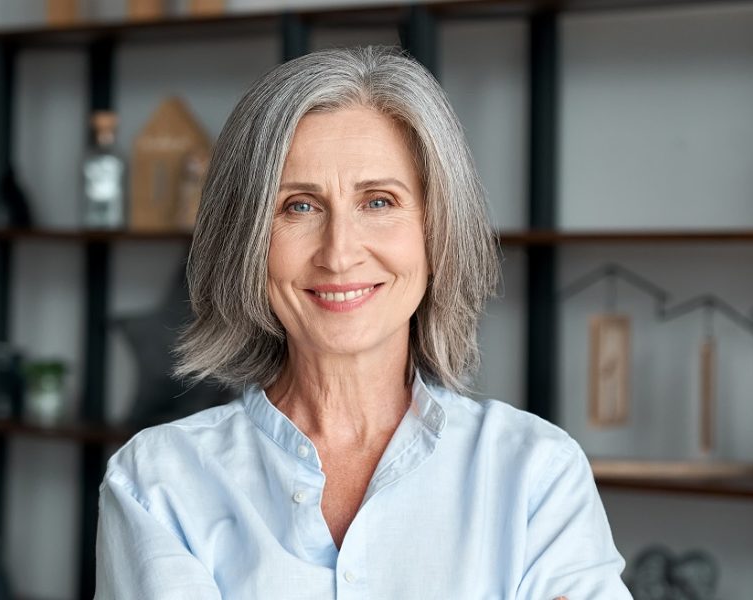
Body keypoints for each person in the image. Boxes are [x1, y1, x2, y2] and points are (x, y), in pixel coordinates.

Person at [95, 45, 631, 599]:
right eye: (298, 206)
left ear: (436, 230)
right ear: (246, 240)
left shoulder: (536, 473)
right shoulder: (157, 483)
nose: (339, 253)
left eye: (378, 201)